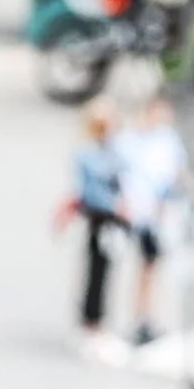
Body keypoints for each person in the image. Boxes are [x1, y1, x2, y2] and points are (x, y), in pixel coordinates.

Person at [116, 91, 187, 345]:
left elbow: (176, 174)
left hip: (155, 214)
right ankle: (126, 318)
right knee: (126, 265)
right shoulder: (129, 141)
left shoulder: (168, 141)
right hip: (131, 211)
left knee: (150, 266)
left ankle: (144, 317)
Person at [63, 98, 129, 349]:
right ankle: (90, 320)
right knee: (96, 271)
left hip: (113, 219)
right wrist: (114, 205)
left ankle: (99, 319)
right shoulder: (88, 153)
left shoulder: (113, 149)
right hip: (98, 217)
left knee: (107, 270)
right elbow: (89, 190)